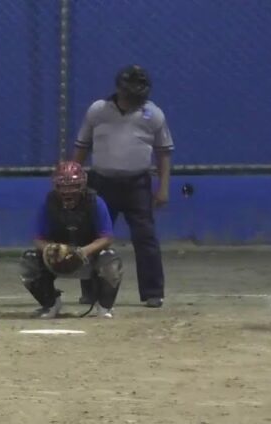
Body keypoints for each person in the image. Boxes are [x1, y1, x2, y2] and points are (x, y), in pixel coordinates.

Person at [73, 65, 173, 308]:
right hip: (101, 182)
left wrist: (163, 187)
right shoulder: (98, 111)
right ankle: (91, 291)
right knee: (92, 236)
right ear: (119, 88)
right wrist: (73, 177)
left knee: (145, 237)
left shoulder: (153, 114)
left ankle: (153, 292)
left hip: (137, 183)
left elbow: (164, 153)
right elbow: (82, 146)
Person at [20, 161, 123, 318]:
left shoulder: (95, 202)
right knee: (29, 260)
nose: (68, 192)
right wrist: (52, 250)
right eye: (63, 187)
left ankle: (104, 306)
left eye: (73, 186)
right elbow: (38, 238)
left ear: (82, 184)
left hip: (89, 255)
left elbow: (106, 237)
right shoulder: (49, 203)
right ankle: (51, 304)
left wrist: (83, 251)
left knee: (110, 259)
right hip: (57, 257)